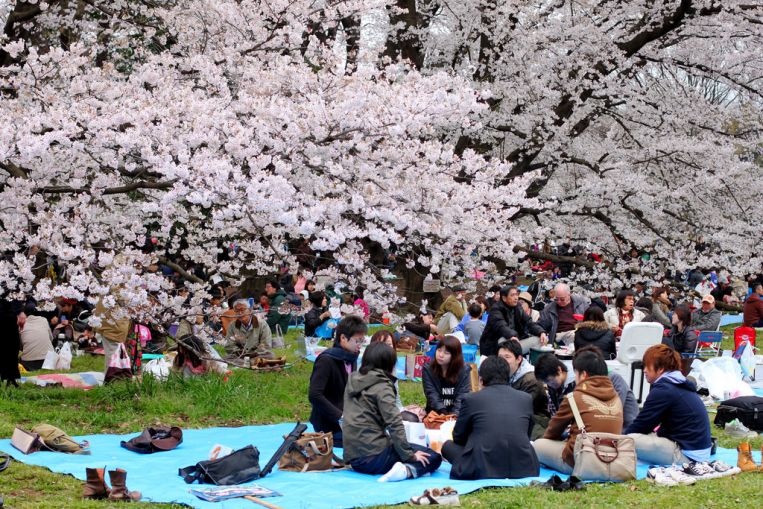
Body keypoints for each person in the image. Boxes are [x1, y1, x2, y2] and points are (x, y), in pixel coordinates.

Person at [343, 342, 442, 482]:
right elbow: (394, 423)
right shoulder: (382, 385)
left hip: (353, 457)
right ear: (389, 364)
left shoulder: (353, 380)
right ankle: (407, 470)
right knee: (433, 457)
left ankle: (409, 467)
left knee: (413, 449)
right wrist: (410, 456)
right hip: (374, 457)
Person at [441, 356, 540, 480]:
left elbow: (459, 437)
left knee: (447, 446)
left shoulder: (472, 399)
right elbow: (527, 433)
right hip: (524, 466)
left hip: (482, 467)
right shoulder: (525, 398)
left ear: (481, 380)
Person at [533, 350, 624, 475]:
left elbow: (552, 433)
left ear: (584, 375)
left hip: (580, 461)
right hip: (611, 460)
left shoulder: (574, 397)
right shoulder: (617, 398)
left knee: (538, 445)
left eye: (576, 374)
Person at [625, 344, 712, 465]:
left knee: (629, 440)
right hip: (696, 450)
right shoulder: (676, 383)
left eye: (647, 366)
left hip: (688, 456)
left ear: (660, 369)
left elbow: (642, 425)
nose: (644, 370)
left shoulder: (664, 390)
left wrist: (618, 439)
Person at [534, 349, 639, 428]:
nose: (578, 377)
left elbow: (610, 417)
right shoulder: (581, 386)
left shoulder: (613, 380)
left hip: (621, 432)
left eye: (578, 372)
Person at [308, 315, 366, 448]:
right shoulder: (326, 360)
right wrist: (340, 417)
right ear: (343, 338)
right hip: (328, 424)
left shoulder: (351, 358)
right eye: (357, 341)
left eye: (362, 341)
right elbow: (314, 395)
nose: (360, 346)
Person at [497, 339, 549, 438]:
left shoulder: (531, 380)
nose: (502, 361)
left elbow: (522, 409)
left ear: (519, 359)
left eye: (507, 357)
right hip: (512, 416)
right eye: (500, 357)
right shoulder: (503, 372)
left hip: (535, 420)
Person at [480, 286, 547, 356]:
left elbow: (528, 322)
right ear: (504, 298)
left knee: (539, 340)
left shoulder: (518, 307)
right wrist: (511, 335)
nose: (516, 298)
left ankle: (517, 360)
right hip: (494, 347)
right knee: (503, 340)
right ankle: (506, 362)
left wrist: (541, 332)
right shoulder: (496, 309)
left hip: (514, 342)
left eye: (516, 294)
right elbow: (501, 325)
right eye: (512, 295)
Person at [422, 335, 471, 416]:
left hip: (458, 414)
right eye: (439, 350)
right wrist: (443, 412)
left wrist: (454, 415)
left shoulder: (464, 371)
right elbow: (431, 393)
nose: (441, 355)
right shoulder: (428, 369)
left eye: (446, 353)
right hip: (435, 414)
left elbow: (462, 395)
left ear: (455, 356)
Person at [370, 330, 403, 410]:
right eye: (381, 344)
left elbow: (396, 396)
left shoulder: (392, 366)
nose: (385, 348)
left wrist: (401, 409)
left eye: (389, 344)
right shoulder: (367, 369)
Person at [1, 298, 26, 386]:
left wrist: (20, 311)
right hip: (6, 311)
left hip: (11, 312)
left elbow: (16, 294)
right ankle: (8, 376)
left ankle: (10, 377)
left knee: (13, 347)